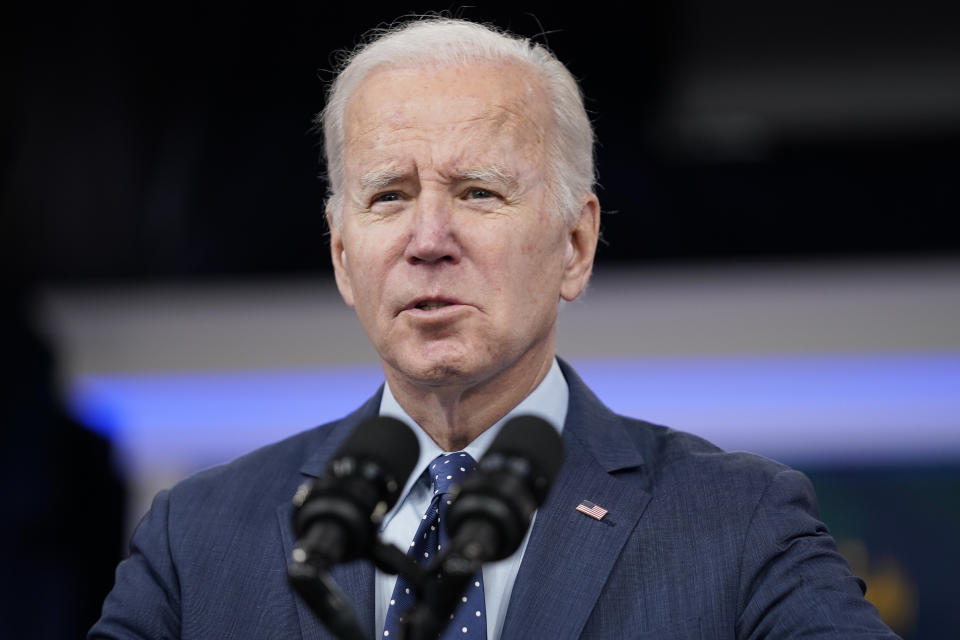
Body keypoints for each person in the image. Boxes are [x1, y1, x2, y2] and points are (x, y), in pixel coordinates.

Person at [90, 18, 899, 639]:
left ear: (575, 246)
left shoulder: (736, 521)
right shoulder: (195, 538)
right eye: (389, 196)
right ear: (343, 256)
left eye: (477, 191)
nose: (428, 238)